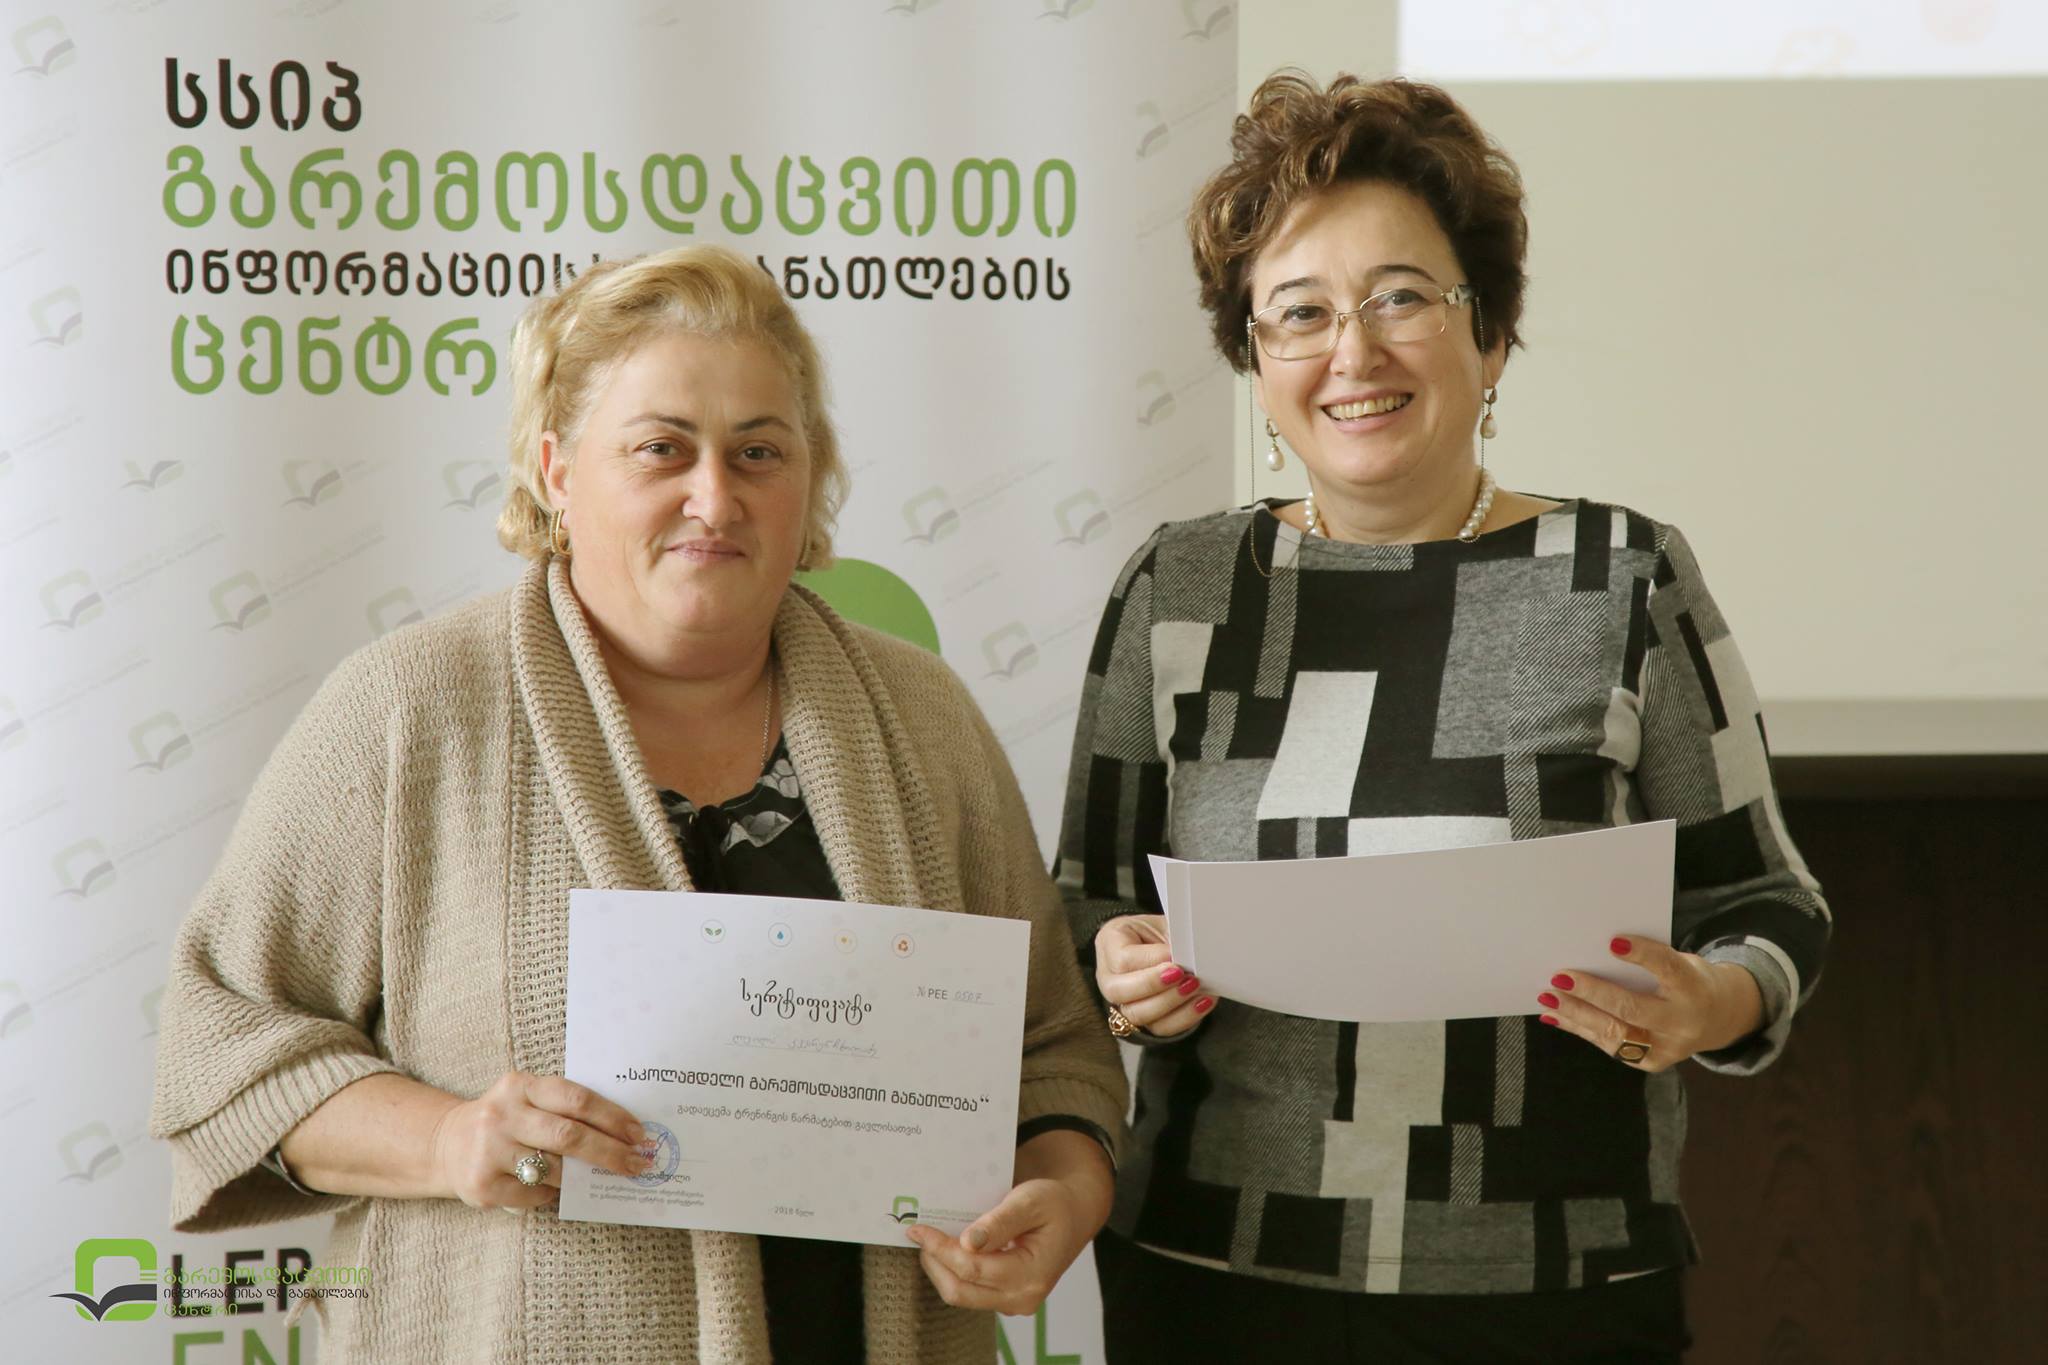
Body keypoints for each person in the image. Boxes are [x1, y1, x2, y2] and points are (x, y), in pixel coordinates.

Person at [148, 244, 1125, 1364]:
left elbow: (1053, 1048)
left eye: (758, 451)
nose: (715, 496)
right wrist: (451, 1140)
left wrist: (1062, 1190)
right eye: (662, 448)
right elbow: (221, 1045)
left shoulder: (923, 716)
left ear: (809, 477)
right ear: (557, 470)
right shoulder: (411, 709)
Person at [1056, 72, 1830, 1363]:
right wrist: (1121, 974)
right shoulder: (1181, 587)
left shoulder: (1618, 577)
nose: (1351, 353)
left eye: (1400, 298)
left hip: (1552, 1284)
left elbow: (1769, 904)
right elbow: (1086, 902)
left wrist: (1708, 1001)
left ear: (1491, 334)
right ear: (1254, 362)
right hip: (1217, 1275)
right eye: (1298, 314)